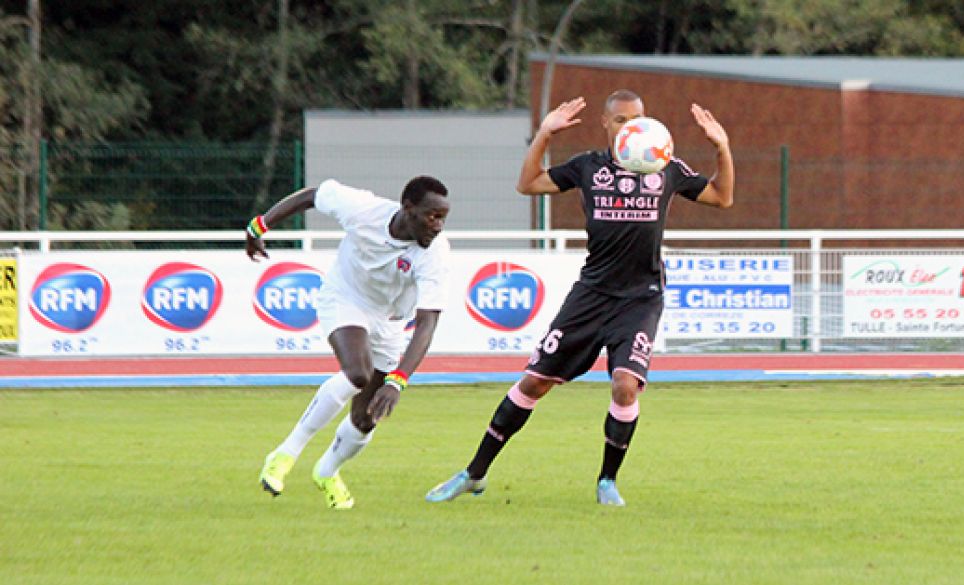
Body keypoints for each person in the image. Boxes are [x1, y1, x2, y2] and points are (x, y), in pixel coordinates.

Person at [425, 89, 734, 507]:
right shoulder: (588, 167)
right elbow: (527, 184)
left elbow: (721, 197)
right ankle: (473, 474)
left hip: (639, 299)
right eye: (622, 120)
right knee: (534, 382)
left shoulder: (665, 168)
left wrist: (723, 147)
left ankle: (607, 481)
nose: (631, 127)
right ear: (606, 124)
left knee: (625, 385)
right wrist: (545, 135)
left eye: (638, 118)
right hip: (590, 295)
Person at [250, 175, 451, 509]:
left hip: (389, 322)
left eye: (443, 218)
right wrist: (260, 225)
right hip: (345, 298)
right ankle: (285, 453)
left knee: (366, 418)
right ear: (408, 208)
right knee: (357, 373)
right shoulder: (364, 210)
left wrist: (399, 380)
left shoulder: (436, 254)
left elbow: (427, 323)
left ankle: (327, 471)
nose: (438, 226)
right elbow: (313, 196)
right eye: (432, 216)